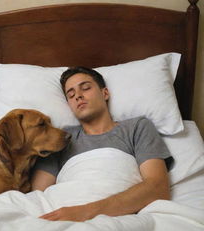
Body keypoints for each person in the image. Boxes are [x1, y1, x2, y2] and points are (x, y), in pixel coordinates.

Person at [31, 67, 173, 222]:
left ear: (105, 93)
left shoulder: (136, 127)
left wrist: (87, 212)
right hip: (62, 216)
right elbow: (38, 196)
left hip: (117, 219)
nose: (78, 96)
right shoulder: (61, 138)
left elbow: (158, 187)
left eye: (85, 88)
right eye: (71, 95)